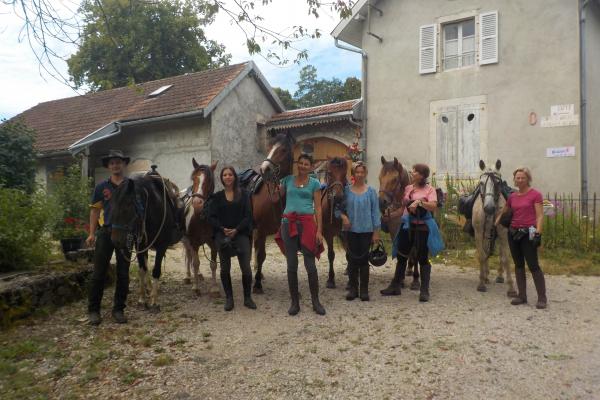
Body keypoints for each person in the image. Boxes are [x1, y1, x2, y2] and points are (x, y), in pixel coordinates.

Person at [381, 163, 442, 302]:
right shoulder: (408, 188)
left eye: (415, 171)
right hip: (407, 226)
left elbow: (433, 206)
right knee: (402, 256)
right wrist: (390, 216)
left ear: (422, 175)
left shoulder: (430, 190)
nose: (412, 173)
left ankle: (424, 290)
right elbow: (403, 208)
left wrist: (420, 202)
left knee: (422, 258)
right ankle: (395, 285)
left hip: (422, 228)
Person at [275, 154, 325, 316]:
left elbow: (318, 208)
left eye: (306, 164)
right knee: (291, 264)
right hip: (288, 223)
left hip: (307, 224)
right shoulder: (287, 180)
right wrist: (273, 183)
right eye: (301, 163)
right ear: (297, 164)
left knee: (310, 264)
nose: (303, 166)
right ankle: (294, 302)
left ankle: (316, 301)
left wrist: (319, 231)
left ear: (311, 167)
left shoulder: (315, 183)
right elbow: (275, 198)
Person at [86, 150, 132, 325]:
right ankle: (93, 310)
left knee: (123, 273)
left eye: (118, 162)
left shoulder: (131, 186)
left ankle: (118, 309)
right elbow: (95, 211)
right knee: (98, 272)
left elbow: (137, 210)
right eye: (112, 163)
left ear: (123, 164)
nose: (115, 165)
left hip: (125, 233)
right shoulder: (101, 187)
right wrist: (91, 233)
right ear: (108, 166)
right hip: (105, 232)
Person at [496, 167, 547, 309]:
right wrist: (498, 219)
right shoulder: (512, 196)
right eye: (517, 178)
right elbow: (505, 209)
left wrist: (538, 232)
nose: (519, 180)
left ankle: (542, 298)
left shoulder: (535, 195)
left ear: (528, 179)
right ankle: (522, 296)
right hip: (513, 233)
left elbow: (540, 215)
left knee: (533, 265)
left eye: (522, 178)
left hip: (529, 233)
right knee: (518, 265)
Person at [207, 166, 256, 311]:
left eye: (230, 174)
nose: (227, 177)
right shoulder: (217, 197)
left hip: (240, 233)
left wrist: (236, 229)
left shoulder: (245, 195)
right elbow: (211, 217)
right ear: (222, 178)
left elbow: (248, 216)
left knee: (246, 268)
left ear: (234, 177)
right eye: (224, 175)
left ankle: (247, 298)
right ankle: (229, 298)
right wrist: (222, 229)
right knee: (224, 268)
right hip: (222, 234)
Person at [340, 162, 380, 301]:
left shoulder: (371, 192)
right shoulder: (346, 191)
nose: (360, 175)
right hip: (350, 231)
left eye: (362, 172)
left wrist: (376, 232)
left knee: (363, 260)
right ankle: (352, 289)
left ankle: (364, 290)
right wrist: (344, 217)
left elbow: (375, 212)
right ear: (353, 174)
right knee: (351, 260)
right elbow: (337, 208)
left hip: (366, 230)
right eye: (357, 172)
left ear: (365, 174)